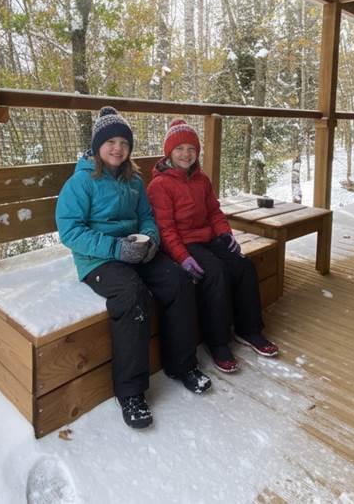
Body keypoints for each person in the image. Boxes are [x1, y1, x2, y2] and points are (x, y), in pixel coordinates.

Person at [55, 107, 210, 430]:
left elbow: (147, 218)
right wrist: (115, 249)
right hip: (98, 259)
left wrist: (151, 240)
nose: (117, 148)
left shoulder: (134, 180)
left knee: (178, 281)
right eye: (110, 142)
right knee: (132, 295)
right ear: (97, 146)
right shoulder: (81, 182)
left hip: (137, 250)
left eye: (124, 143)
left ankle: (182, 364)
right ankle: (131, 392)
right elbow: (70, 231)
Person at [146, 120, 279, 374]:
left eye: (191, 149)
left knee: (243, 266)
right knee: (214, 272)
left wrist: (226, 234)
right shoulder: (160, 185)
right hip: (183, 245)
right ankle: (217, 342)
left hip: (207, 239)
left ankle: (249, 329)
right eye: (180, 149)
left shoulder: (201, 179)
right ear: (169, 153)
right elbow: (165, 229)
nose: (186, 154)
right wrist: (182, 257)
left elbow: (214, 212)